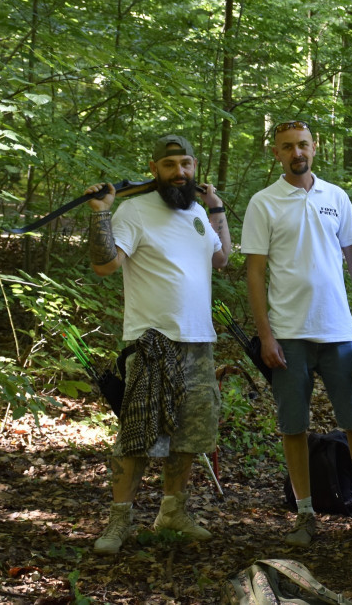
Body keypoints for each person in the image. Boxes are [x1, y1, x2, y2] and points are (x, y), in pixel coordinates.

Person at [85, 134, 232, 555]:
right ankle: (119, 520)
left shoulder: (198, 214)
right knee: (139, 433)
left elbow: (221, 259)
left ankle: (173, 510)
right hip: (152, 340)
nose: (180, 173)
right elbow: (104, 265)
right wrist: (100, 215)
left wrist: (217, 207)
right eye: (170, 166)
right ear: (155, 169)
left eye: (186, 164)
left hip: (199, 340)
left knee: (190, 432)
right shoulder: (134, 210)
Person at [241, 120, 352, 547]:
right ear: (276, 154)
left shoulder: (336, 197)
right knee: (293, 426)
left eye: (302, 144)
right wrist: (266, 335)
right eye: (287, 147)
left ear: (314, 147)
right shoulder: (263, 203)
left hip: (338, 331)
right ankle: (303, 514)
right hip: (288, 334)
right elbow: (255, 272)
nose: (296, 152)